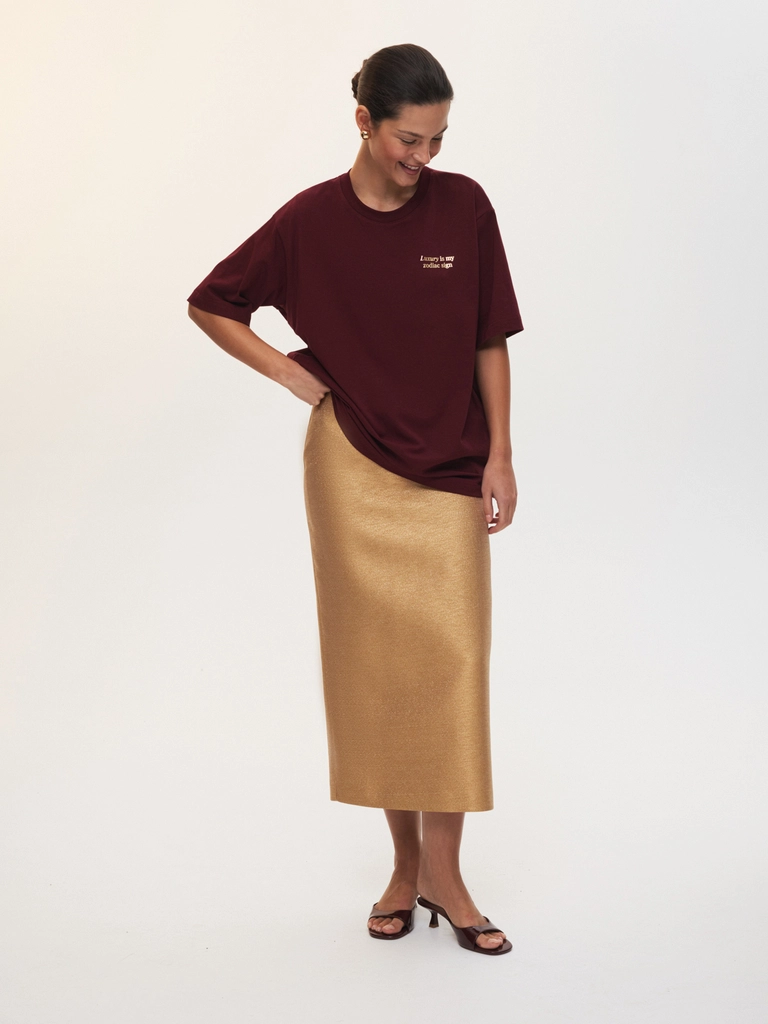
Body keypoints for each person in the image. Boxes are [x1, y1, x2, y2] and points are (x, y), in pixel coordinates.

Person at [186, 43, 524, 956]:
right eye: (410, 139)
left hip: (451, 465)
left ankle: (448, 872)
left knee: (452, 665)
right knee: (379, 671)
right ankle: (406, 868)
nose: (425, 157)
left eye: (439, 138)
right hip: (353, 471)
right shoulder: (309, 222)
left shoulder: (465, 206)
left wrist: (500, 453)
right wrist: (294, 379)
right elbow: (213, 301)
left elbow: (490, 337)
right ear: (365, 122)